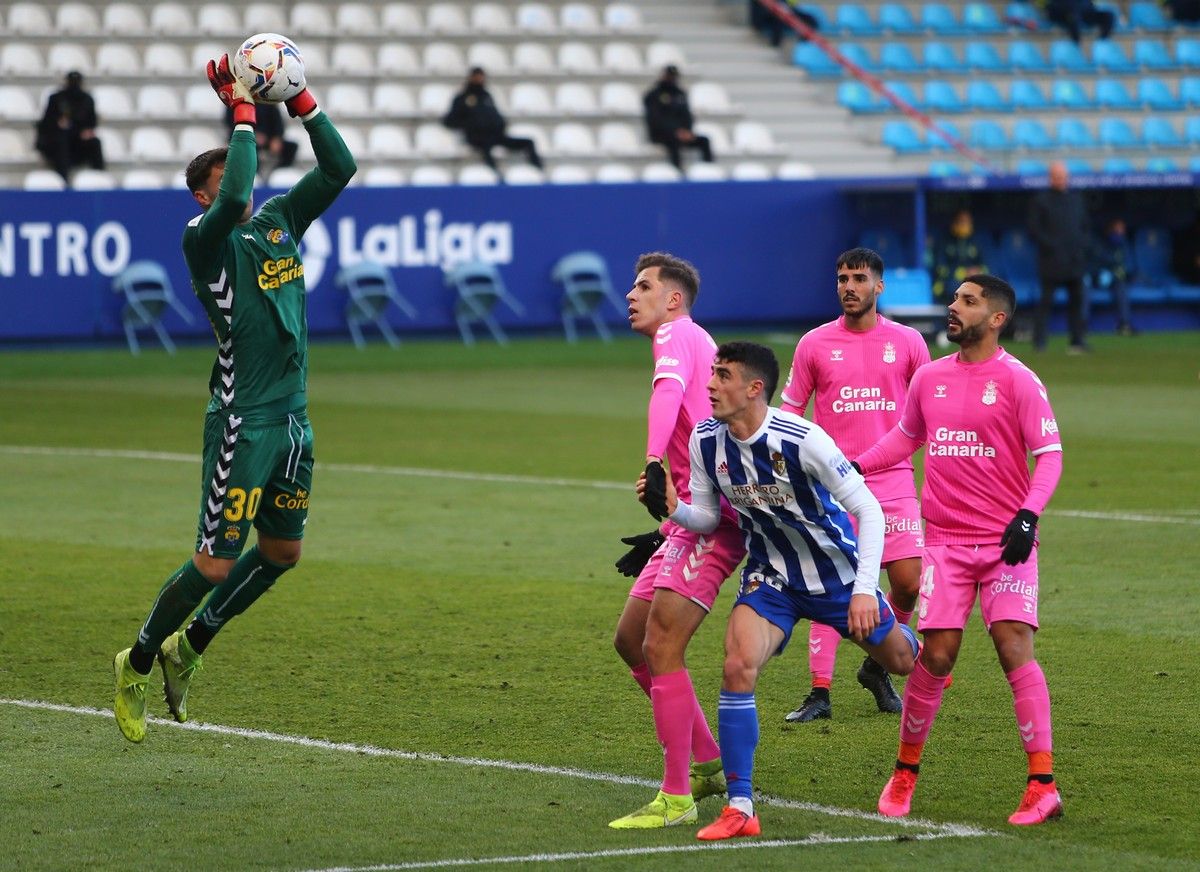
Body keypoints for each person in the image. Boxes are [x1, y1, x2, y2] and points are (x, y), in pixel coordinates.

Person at [112, 55, 356, 743]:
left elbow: (340, 170)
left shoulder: (279, 221)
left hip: (294, 421)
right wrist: (245, 109)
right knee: (214, 561)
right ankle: (133, 661)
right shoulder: (204, 240)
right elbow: (231, 194)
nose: (242, 192)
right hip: (242, 423)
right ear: (202, 197)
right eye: (225, 185)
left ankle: (188, 646)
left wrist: (301, 98)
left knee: (281, 555)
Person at [641, 341, 919, 841]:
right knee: (736, 663)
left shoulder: (804, 438)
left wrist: (861, 591)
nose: (710, 385)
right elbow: (707, 518)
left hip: (837, 578)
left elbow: (870, 510)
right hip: (772, 577)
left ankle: (914, 639)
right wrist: (673, 508)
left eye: (722, 376)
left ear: (754, 388)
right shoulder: (706, 440)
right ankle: (741, 805)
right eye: (711, 374)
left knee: (901, 659)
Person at [854, 274, 1064, 826]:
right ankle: (903, 774)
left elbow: (1050, 454)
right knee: (938, 655)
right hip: (943, 543)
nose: (954, 307)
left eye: (967, 302)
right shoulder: (929, 377)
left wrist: (1027, 515)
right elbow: (906, 436)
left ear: (996, 318)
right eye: (954, 299)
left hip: (1004, 544)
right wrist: (855, 466)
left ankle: (1042, 785)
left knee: (1012, 645)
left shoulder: (1019, 380)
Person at [608, 253, 746, 830]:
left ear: (674, 298)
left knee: (661, 645)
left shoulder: (676, 332)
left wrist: (650, 460)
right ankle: (709, 760)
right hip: (688, 519)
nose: (630, 295)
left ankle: (676, 793)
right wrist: (665, 527)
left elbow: (667, 396)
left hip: (713, 521)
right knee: (630, 641)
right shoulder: (695, 339)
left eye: (643, 286)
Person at [779, 248, 931, 724]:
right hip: (831, 486)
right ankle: (819, 692)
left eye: (859, 278)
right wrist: (790, 465)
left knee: (907, 584)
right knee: (832, 583)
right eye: (842, 278)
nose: (849, 286)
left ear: (878, 287)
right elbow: (790, 412)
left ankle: (877, 664)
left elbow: (923, 417)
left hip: (892, 479)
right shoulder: (814, 344)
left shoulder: (908, 343)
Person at [1027, 161, 1090, 353]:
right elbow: (1034, 230)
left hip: (1074, 261)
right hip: (1051, 262)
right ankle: (1040, 342)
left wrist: (1080, 248)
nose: (1061, 180)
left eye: (1063, 176)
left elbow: (1084, 227)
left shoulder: (1076, 200)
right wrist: (1052, 247)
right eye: (1057, 176)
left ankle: (1077, 341)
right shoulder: (1041, 201)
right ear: (1050, 178)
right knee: (1046, 302)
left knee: (1077, 301)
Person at [442, 67, 542, 173]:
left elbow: (495, 115)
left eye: (481, 77)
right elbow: (449, 121)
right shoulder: (462, 98)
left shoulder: (487, 96)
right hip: (477, 138)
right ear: (470, 78)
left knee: (528, 142)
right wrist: (471, 124)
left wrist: (500, 124)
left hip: (496, 135)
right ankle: (495, 175)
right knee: (486, 146)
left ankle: (539, 171)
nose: (479, 79)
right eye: (476, 77)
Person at [34, 70, 105, 184]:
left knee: (95, 142)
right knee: (61, 141)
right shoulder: (56, 98)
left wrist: (87, 131)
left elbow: (92, 123)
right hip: (57, 141)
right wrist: (58, 123)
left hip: (79, 142)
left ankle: (100, 177)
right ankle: (63, 180)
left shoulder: (87, 99)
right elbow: (45, 123)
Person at [642, 66, 714, 171]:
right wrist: (675, 131)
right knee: (673, 141)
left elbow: (687, 115)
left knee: (704, 140)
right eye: (669, 76)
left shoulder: (680, 94)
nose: (672, 79)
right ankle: (677, 172)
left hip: (682, 133)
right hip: (661, 134)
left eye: (674, 77)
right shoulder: (653, 95)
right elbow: (656, 119)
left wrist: (687, 131)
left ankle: (709, 169)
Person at [224, 102, 298, 179]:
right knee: (251, 149)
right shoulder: (236, 102)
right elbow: (231, 124)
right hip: (245, 138)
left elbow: (278, 122)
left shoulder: (267, 101)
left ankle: (279, 173)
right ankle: (254, 175)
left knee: (291, 147)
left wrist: (277, 138)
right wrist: (251, 135)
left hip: (268, 139)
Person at [1090, 218, 1137, 336]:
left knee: (1121, 286)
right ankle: (1081, 325)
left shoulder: (1123, 243)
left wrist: (1119, 271)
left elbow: (1127, 265)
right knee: (1080, 286)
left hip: (1113, 278)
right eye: (1117, 229)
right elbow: (1096, 260)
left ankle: (1124, 325)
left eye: (1121, 229)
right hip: (1096, 276)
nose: (1119, 232)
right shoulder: (1098, 242)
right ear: (1110, 229)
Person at [931, 210, 989, 304]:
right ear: (954, 222)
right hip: (949, 283)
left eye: (967, 222)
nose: (964, 225)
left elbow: (986, 265)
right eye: (961, 221)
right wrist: (961, 273)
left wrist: (978, 271)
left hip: (972, 281)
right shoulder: (944, 241)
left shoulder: (976, 241)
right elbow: (940, 268)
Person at [749, 0, 820, 47]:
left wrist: (787, 8)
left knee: (810, 19)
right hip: (764, 17)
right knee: (777, 17)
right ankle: (775, 45)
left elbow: (790, 6)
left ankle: (803, 45)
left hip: (783, 14)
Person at [1038, 0, 1115, 43]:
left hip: (1084, 13)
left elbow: (1090, 6)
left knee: (1108, 15)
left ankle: (1102, 41)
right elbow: (1050, 8)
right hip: (1065, 15)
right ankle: (1076, 46)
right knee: (1073, 17)